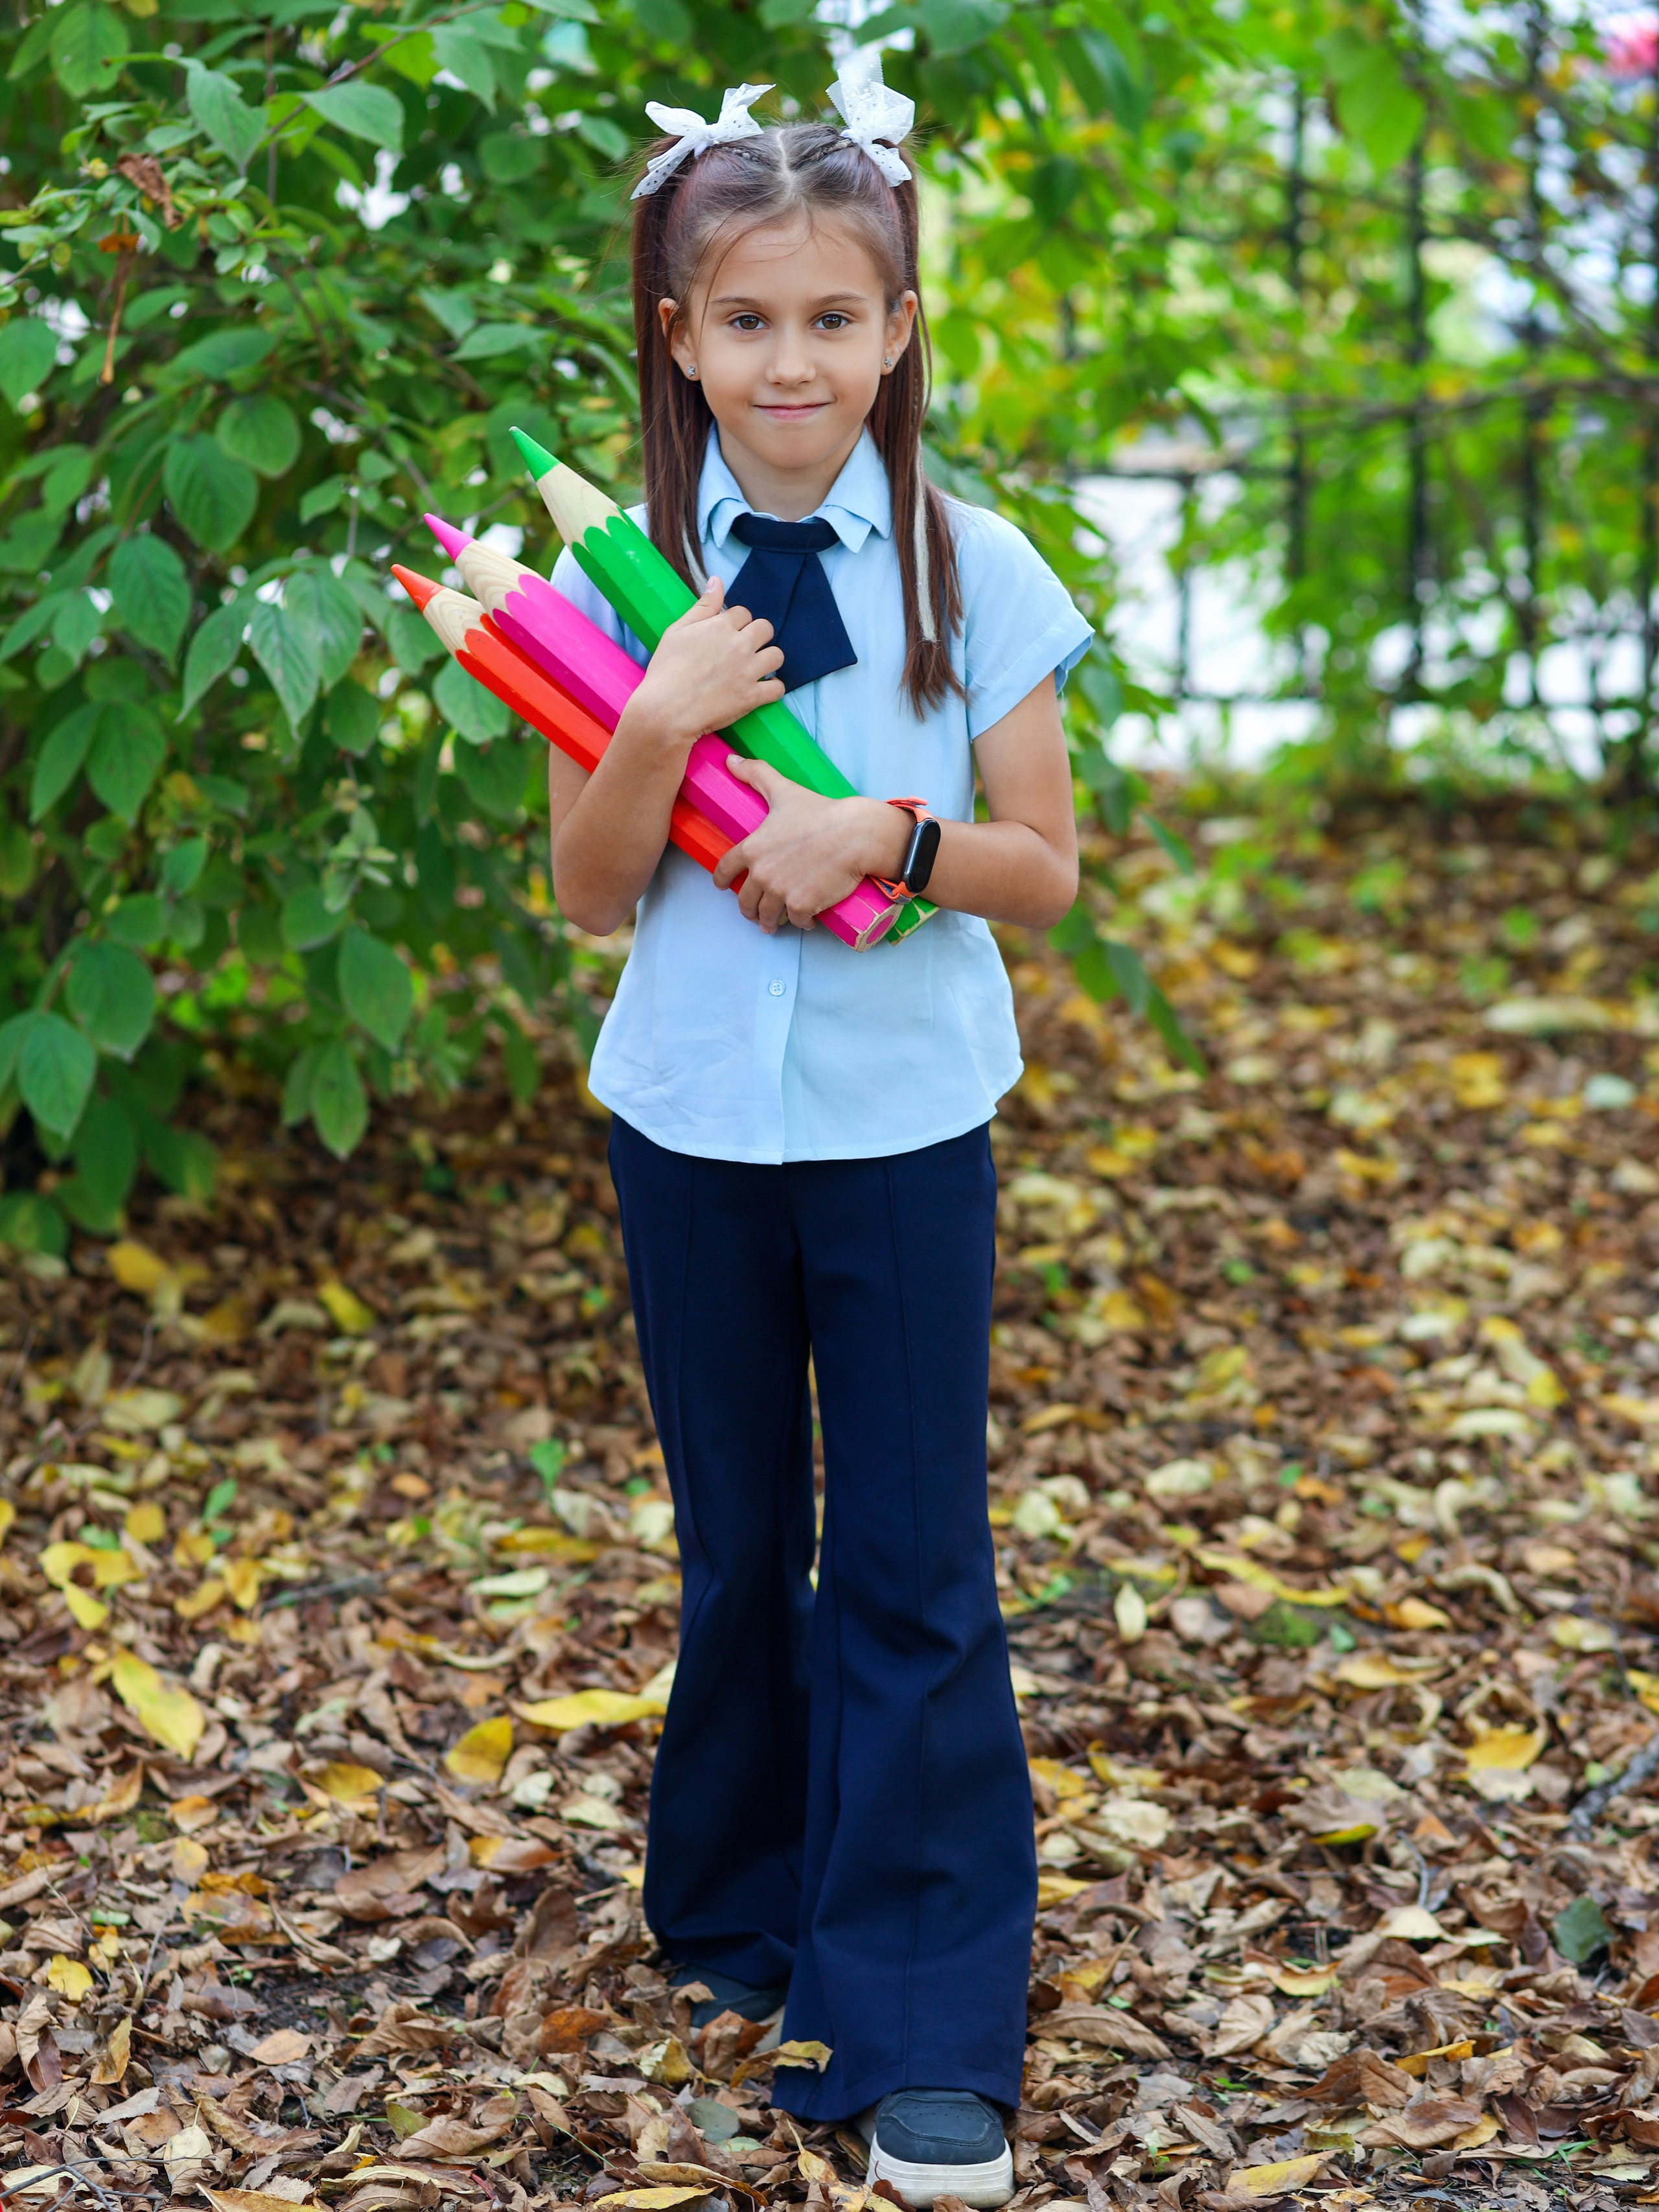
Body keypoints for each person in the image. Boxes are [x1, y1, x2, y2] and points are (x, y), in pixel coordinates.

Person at [544, 50, 1093, 2209]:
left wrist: (895, 826)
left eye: (834, 320)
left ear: (897, 330)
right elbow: (589, 892)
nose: (795, 362)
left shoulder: (977, 567)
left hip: (896, 1128)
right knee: (734, 1540)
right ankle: (758, 1913)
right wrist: (660, 715)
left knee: (915, 1563)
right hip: (683, 1128)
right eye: (748, 320)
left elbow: (1044, 870)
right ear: (681, 335)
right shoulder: (618, 574)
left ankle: (930, 2015)